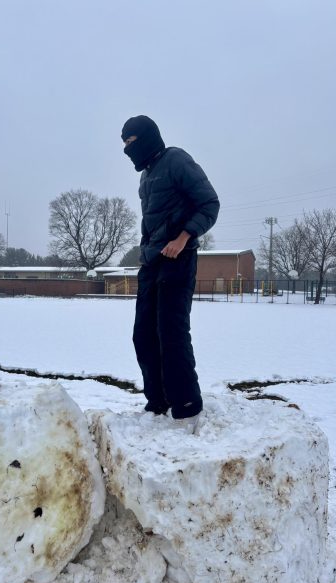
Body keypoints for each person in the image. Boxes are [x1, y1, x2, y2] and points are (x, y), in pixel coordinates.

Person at [121, 115, 220, 432]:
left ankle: (186, 406)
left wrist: (183, 238)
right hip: (151, 262)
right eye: (123, 144)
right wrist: (145, 251)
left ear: (148, 137)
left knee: (171, 332)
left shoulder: (176, 159)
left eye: (131, 142)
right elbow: (150, 222)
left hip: (179, 259)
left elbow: (209, 203)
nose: (127, 149)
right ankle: (158, 402)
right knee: (143, 334)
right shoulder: (145, 176)